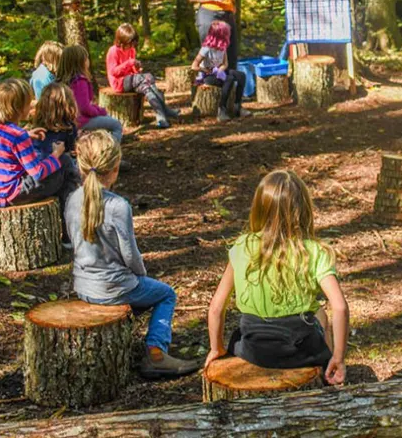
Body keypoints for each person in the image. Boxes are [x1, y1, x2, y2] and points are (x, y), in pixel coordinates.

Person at [66, 131, 198, 378]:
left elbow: (74, 242)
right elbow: (131, 256)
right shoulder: (118, 206)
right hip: (114, 287)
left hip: (83, 286)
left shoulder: (72, 199)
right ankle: (156, 353)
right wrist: (142, 275)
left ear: (80, 164)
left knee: (141, 294)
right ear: (115, 168)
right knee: (166, 294)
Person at [204, 170, 349, 385]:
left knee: (316, 313)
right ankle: (328, 372)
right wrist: (339, 357)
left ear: (260, 209)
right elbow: (340, 308)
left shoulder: (243, 246)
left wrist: (216, 349)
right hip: (301, 352)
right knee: (320, 314)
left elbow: (216, 308)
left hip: (253, 350)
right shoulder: (315, 251)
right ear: (303, 209)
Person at [0, 79, 76, 211]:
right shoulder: (18, 136)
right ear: (19, 108)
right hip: (11, 195)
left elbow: (6, 146)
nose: (31, 107)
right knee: (65, 161)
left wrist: (27, 134)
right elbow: (38, 173)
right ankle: (72, 211)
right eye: (28, 104)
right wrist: (56, 154)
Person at [105, 23, 179, 129]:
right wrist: (130, 63)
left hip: (133, 80)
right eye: (130, 43)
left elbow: (132, 70)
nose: (132, 46)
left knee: (147, 88)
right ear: (122, 41)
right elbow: (113, 72)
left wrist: (136, 69)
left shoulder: (132, 50)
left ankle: (161, 118)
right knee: (148, 77)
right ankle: (166, 110)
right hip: (119, 83)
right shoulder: (113, 51)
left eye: (133, 43)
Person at [56, 45, 124, 145]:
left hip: (67, 120)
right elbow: (84, 108)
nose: (88, 61)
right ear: (80, 62)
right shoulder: (79, 81)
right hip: (80, 121)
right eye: (86, 58)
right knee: (116, 125)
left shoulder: (60, 81)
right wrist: (100, 111)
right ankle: (109, 153)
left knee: (107, 120)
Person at [192, 20, 250, 122]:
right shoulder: (206, 49)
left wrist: (220, 70)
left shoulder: (222, 47)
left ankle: (238, 106)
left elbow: (225, 64)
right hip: (207, 75)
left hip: (218, 72)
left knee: (241, 76)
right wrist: (205, 70)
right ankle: (221, 109)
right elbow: (194, 66)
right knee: (230, 79)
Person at [30, 82, 80, 178]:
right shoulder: (68, 128)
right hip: (56, 172)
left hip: (38, 168)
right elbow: (72, 151)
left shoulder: (37, 128)